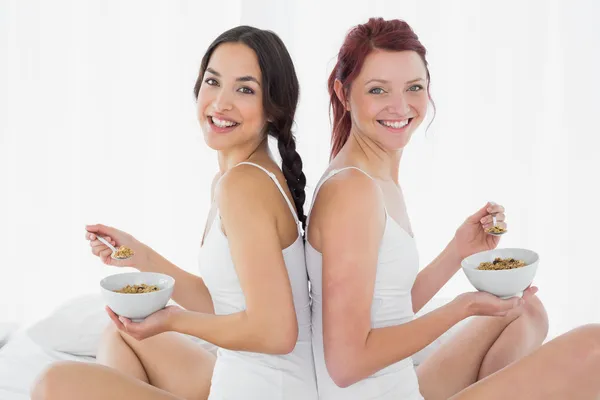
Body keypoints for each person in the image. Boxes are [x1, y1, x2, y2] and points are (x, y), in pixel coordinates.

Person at [306, 17, 600, 400]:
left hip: (397, 384)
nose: (400, 106)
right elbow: (346, 366)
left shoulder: (373, 176)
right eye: (378, 90)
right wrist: (463, 308)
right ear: (343, 95)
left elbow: (386, 308)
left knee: (525, 313)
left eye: (414, 87)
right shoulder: (352, 190)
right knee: (594, 348)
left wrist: (458, 252)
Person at [32, 25, 318, 400]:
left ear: (273, 108)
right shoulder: (241, 177)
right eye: (213, 82)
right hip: (242, 374)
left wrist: (175, 320)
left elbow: (278, 332)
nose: (220, 103)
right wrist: (141, 256)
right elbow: (227, 304)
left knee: (52, 383)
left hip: (260, 389)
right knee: (120, 331)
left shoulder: (244, 186)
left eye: (245, 89)